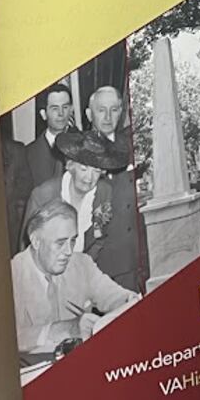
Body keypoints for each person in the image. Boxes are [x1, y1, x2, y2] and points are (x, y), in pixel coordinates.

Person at [10, 202, 138, 367]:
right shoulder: (9, 276)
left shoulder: (82, 264)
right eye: (60, 242)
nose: (69, 251)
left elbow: (116, 296)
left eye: (73, 241)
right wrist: (66, 329)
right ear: (35, 241)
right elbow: (5, 340)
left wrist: (130, 301)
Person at [22, 125, 120, 258]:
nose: (89, 178)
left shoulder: (104, 192)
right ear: (70, 166)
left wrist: (84, 266)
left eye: (96, 170)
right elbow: (28, 246)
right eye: (84, 169)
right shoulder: (43, 195)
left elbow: (100, 238)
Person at [82, 83, 144, 292]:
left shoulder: (133, 144)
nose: (108, 117)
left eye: (114, 109)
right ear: (90, 114)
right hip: (104, 263)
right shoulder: (77, 152)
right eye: (101, 110)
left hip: (139, 257)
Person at [2, 81, 78, 249]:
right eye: (54, 108)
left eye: (65, 107)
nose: (61, 114)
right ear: (43, 114)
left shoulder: (86, 148)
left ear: (72, 109)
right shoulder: (26, 154)